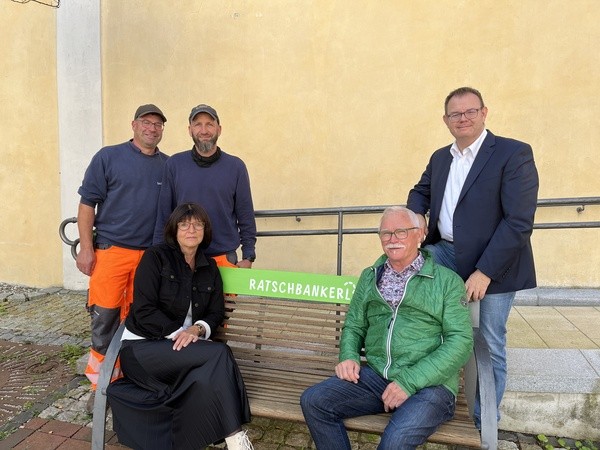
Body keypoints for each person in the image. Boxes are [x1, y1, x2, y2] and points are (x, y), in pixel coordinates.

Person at [406, 86, 539, 426]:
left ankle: (485, 422)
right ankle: (422, 394)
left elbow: (518, 222)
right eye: (455, 114)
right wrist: (416, 215)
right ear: (446, 120)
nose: (462, 118)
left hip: (496, 262)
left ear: (484, 113)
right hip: (446, 252)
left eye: (470, 112)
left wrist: (484, 272)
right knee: (424, 318)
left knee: (488, 341)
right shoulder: (441, 157)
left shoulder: (512, 153)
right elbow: (419, 192)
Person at [301, 206, 473, 450]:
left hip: (431, 386)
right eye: (386, 233)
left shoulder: (446, 281)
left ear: (419, 234)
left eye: (401, 232)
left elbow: (461, 341)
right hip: (379, 376)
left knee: (395, 440)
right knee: (314, 401)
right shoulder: (370, 276)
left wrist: (409, 382)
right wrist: (348, 355)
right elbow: (354, 324)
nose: (392, 240)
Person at [109, 203, 252, 450]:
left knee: (209, 372)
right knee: (219, 353)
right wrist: (179, 333)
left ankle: (227, 439)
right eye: (184, 224)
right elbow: (143, 310)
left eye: (198, 224)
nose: (191, 229)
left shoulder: (210, 267)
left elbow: (216, 312)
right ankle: (237, 440)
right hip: (143, 348)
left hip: (183, 350)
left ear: (205, 231)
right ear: (174, 230)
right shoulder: (156, 257)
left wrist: (196, 330)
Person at [76, 104, 169, 411]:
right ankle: (99, 385)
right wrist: (87, 248)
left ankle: (130, 378)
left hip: (149, 258)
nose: (152, 128)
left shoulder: (168, 166)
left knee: (139, 322)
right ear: (133, 125)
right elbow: (87, 204)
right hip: (111, 253)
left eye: (158, 125)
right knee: (104, 320)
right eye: (146, 122)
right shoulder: (108, 157)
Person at [153, 104, 256, 268]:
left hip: (224, 258)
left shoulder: (236, 167)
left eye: (209, 124)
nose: (204, 130)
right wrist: (158, 256)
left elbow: (245, 215)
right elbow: (164, 214)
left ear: (219, 129)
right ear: (190, 130)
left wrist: (248, 255)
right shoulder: (174, 165)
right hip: (183, 259)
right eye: (198, 124)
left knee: (223, 296)